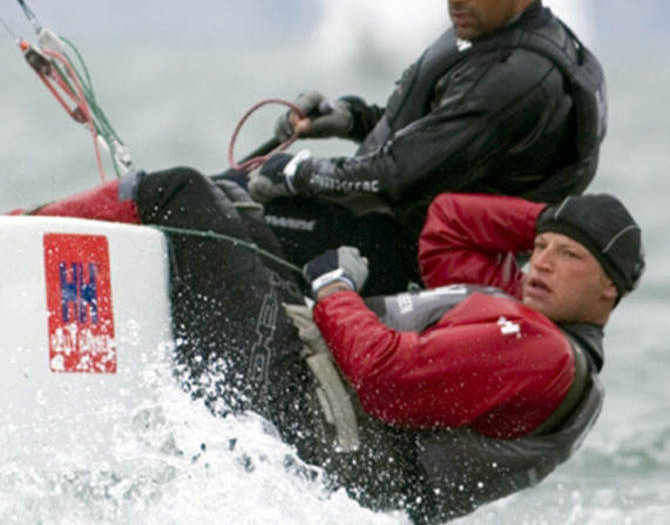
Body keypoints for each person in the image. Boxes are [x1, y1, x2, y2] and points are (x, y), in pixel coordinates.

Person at [16, 168, 644, 523]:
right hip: (324, 410)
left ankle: (17, 232)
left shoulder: (537, 348)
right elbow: (449, 222)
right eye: (539, 250)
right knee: (234, 196)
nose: (542, 264)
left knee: (179, 193)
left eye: (570, 257)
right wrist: (564, 218)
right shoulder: (534, 330)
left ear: (610, 292)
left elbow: (386, 382)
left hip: (312, 421)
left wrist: (334, 288)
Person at [235, 0, 607, 296]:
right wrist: (350, 118)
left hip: (400, 253)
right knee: (212, 190)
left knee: (197, 198)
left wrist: (298, 174)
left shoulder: (519, 77)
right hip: (377, 224)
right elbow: (433, 138)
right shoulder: (492, 36)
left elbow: (397, 176)